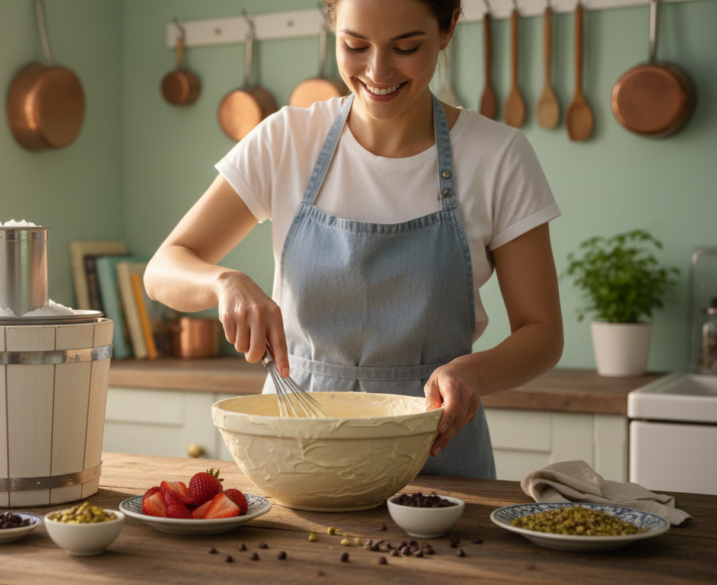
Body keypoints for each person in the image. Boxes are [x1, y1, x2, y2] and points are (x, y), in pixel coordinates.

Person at [143, 0, 563, 479]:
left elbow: (542, 332)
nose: (377, 71)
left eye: (405, 47)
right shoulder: (286, 140)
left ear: (447, 29)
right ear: (332, 28)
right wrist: (225, 282)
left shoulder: (498, 157)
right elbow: (164, 268)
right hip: (297, 452)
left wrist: (471, 372)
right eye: (355, 45)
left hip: (436, 457)